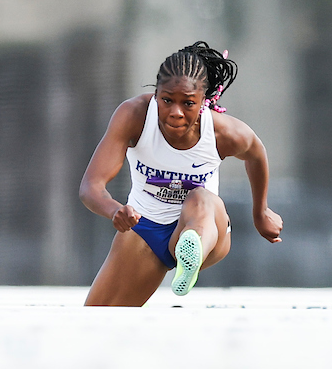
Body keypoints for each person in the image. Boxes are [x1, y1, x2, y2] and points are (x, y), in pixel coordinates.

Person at [80, 42, 283, 306]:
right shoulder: (135, 116)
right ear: (155, 95)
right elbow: (91, 186)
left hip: (206, 226)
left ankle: (192, 250)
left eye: (188, 103)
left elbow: (257, 154)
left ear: (203, 102)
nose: (176, 113)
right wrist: (114, 210)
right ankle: (186, 251)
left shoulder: (224, 133)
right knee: (97, 321)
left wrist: (261, 212)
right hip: (144, 228)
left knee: (202, 199)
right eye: (167, 101)